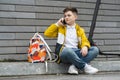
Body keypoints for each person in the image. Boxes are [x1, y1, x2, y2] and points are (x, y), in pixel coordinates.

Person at [44, 7, 99, 74]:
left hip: (76, 52)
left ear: (75, 17)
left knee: (95, 50)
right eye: (65, 16)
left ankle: (74, 66)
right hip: (64, 53)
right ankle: (84, 67)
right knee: (68, 50)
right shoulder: (61, 28)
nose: (66, 17)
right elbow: (47, 33)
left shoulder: (80, 30)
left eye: (69, 15)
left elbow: (85, 41)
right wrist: (57, 24)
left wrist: (85, 47)